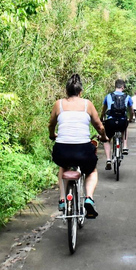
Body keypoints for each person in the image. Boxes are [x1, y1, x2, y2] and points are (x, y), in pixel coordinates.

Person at [48, 74, 108, 218]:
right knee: (92, 171)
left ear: (66, 91)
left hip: (62, 149)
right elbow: (99, 126)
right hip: (83, 150)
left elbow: (51, 124)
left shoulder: (59, 104)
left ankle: (62, 199)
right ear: (80, 92)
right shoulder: (87, 104)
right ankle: (89, 198)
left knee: (63, 166)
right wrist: (104, 137)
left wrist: (52, 135)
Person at [101, 79, 133, 168]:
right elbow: (131, 111)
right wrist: (129, 119)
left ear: (115, 86)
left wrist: (102, 117)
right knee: (125, 128)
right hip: (122, 121)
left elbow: (104, 109)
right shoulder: (127, 97)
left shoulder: (108, 96)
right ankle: (125, 147)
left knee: (106, 139)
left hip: (111, 121)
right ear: (122, 87)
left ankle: (108, 159)